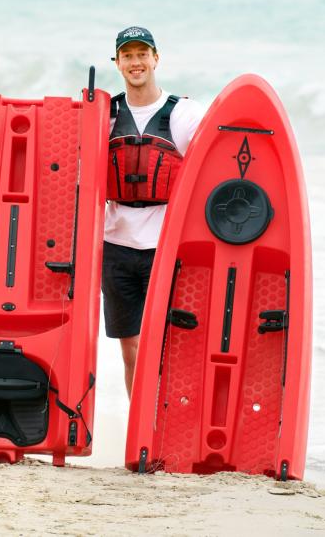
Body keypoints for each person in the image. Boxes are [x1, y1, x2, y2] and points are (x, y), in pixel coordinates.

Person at [102, 27, 205, 397]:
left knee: (165, 345)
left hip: (164, 247)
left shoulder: (185, 115)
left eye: (142, 54)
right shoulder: (105, 115)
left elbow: (211, 168)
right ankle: (139, 424)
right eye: (127, 56)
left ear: (156, 59)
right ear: (117, 63)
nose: (136, 62)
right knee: (130, 349)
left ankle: (166, 421)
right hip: (116, 246)